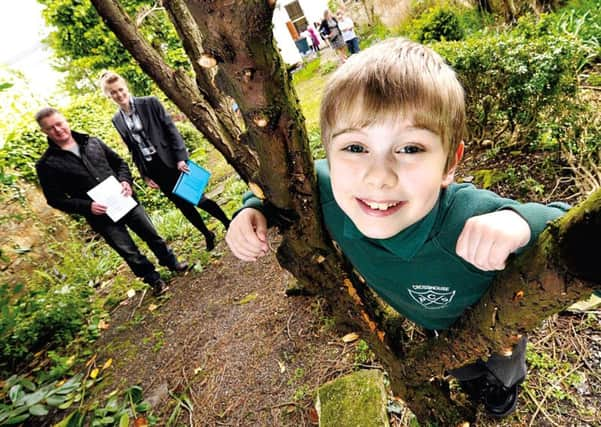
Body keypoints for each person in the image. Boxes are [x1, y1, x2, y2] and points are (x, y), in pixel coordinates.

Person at [225, 38, 570, 417]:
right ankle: (470, 378)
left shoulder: (465, 218)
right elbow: (281, 187)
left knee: (500, 362)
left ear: (450, 163)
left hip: (494, 316)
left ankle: (502, 389)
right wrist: (253, 209)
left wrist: (520, 223)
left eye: (410, 149)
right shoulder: (326, 188)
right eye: (355, 148)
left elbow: (573, 231)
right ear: (328, 152)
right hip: (433, 322)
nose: (378, 177)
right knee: (458, 359)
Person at [35, 107, 188, 296]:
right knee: (129, 252)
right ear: (44, 131)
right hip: (100, 216)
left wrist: (125, 180)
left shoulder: (93, 142)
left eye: (59, 123)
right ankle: (154, 280)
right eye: (51, 128)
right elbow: (55, 199)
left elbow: (120, 164)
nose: (58, 130)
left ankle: (172, 263)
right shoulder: (47, 164)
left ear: (65, 121)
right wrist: (87, 207)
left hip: (125, 200)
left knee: (152, 236)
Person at [99, 71, 230, 251]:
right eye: (113, 92)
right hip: (154, 168)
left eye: (120, 89)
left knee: (197, 198)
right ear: (108, 95)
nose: (119, 95)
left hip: (172, 162)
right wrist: (144, 175)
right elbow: (133, 149)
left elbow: (171, 130)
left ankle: (227, 223)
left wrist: (181, 158)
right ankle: (207, 234)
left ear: (125, 87)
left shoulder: (150, 103)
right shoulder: (117, 120)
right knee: (183, 206)